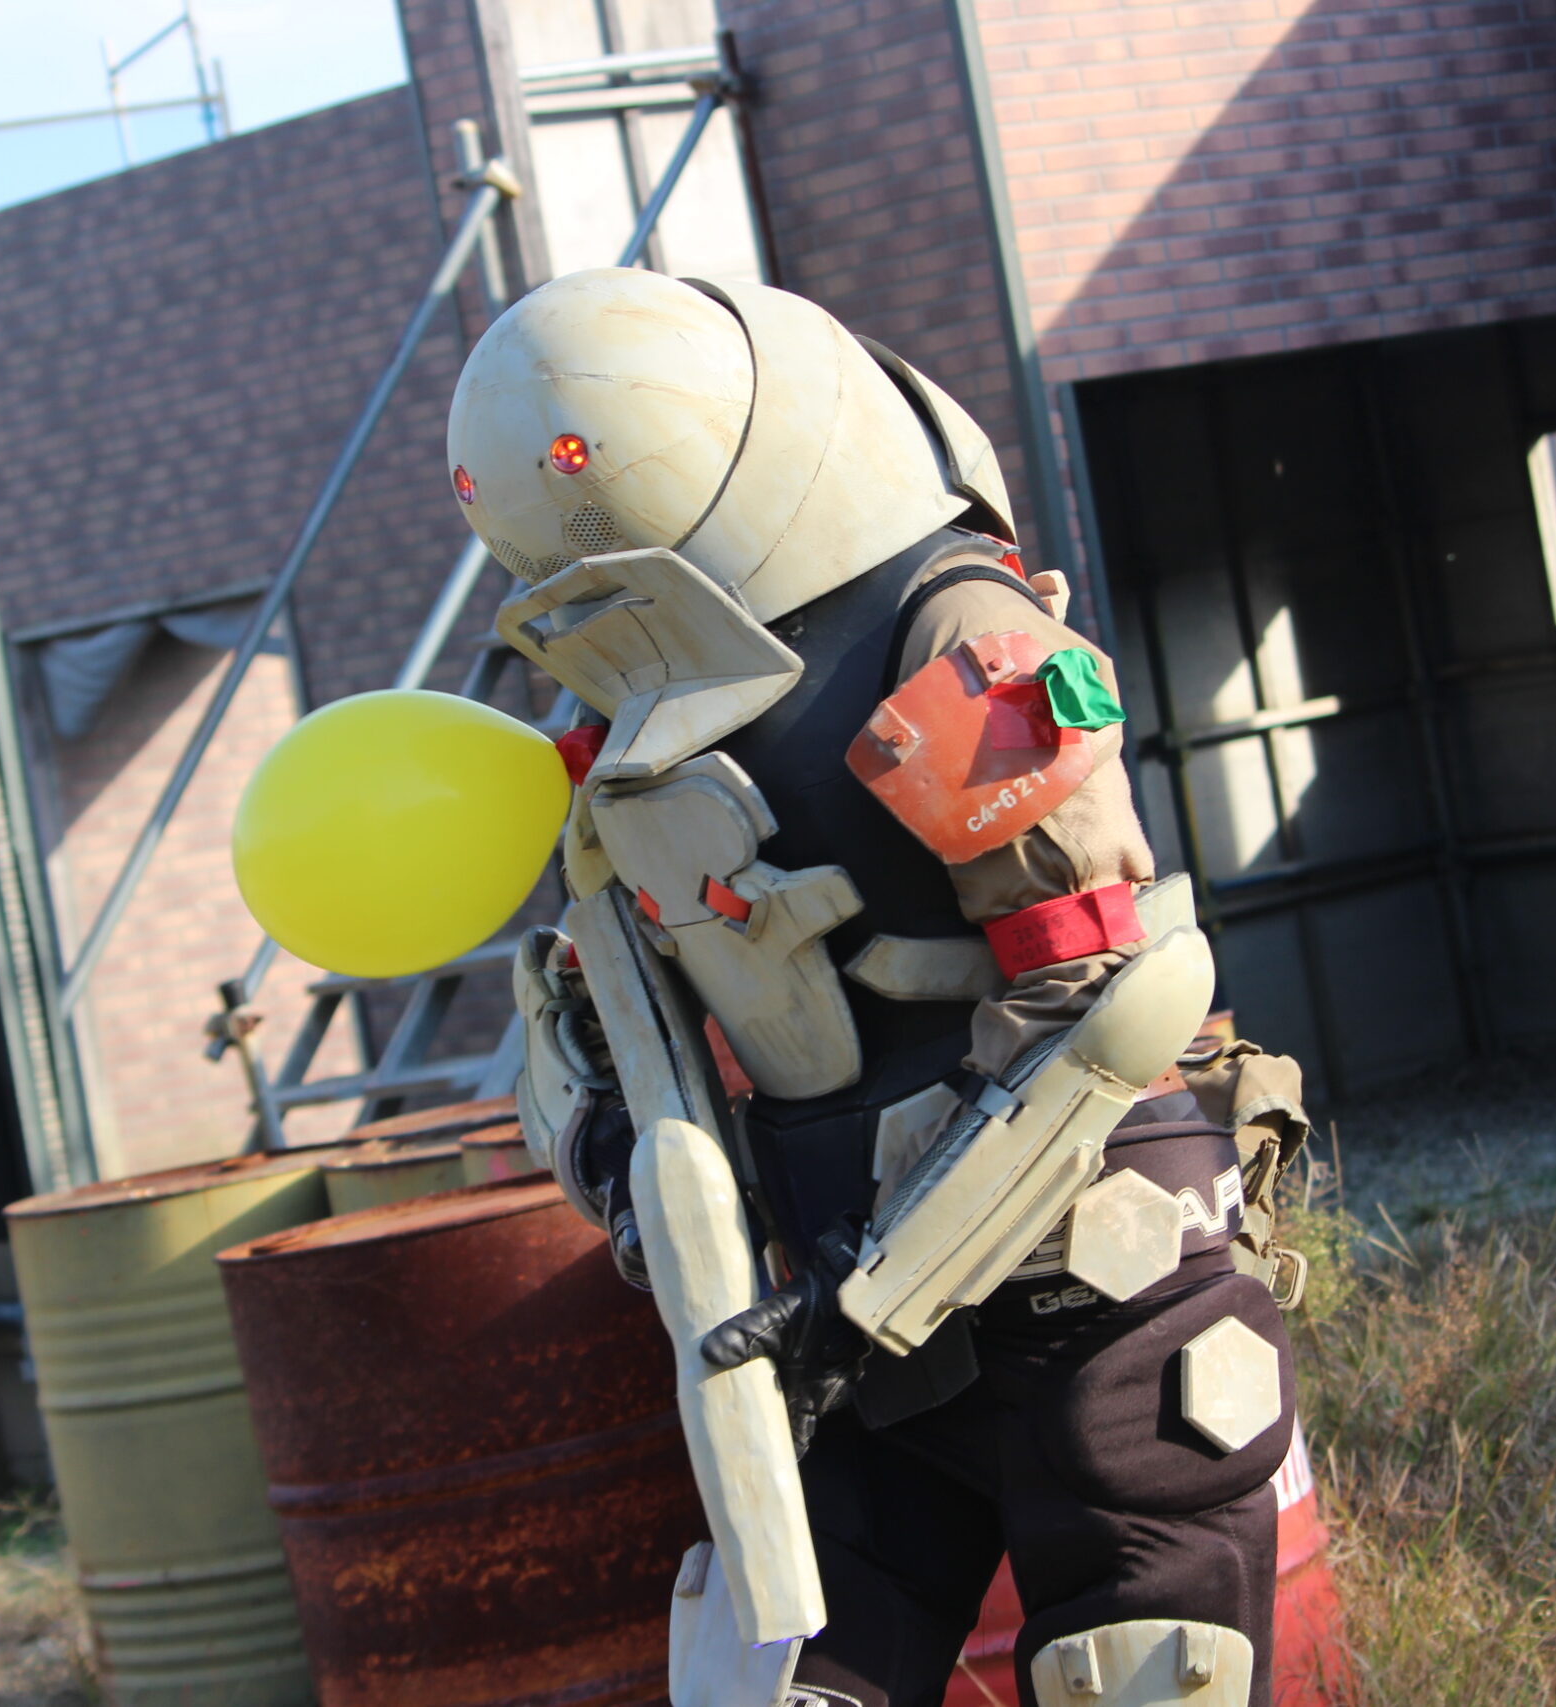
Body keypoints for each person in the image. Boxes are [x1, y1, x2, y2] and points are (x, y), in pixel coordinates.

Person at [454, 268, 1307, 1707]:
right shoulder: (628, 711)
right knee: (784, 1678)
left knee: (1146, 1673)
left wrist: (871, 1290)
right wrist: (636, 1185)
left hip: (1084, 1266)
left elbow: (1110, 1003)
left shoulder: (947, 623)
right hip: (841, 1307)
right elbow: (598, 1019)